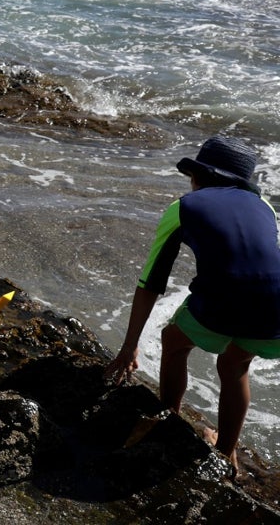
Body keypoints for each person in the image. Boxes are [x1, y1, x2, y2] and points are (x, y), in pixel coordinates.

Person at [105, 136, 280, 476]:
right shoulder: (266, 208)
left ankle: (168, 418)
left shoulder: (184, 207)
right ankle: (226, 453)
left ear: (200, 177)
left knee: (173, 341)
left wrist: (129, 346)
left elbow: (151, 282)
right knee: (234, 364)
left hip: (225, 301)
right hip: (277, 307)